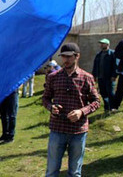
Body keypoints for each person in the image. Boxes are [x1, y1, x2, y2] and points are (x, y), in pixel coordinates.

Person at [42, 43, 100, 177]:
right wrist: (51, 107)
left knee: (75, 172)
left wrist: (81, 112)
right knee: (51, 170)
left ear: (77, 56)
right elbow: (45, 98)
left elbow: (96, 102)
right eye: (63, 57)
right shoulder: (53, 77)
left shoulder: (87, 78)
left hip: (78, 130)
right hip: (57, 128)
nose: (66, 60)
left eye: (69, 57)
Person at [92, 38, 118, 112]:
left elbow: (116, 65)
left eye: (103, 43)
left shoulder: (112, 54)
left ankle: (112, 107)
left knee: (111, 93)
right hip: (101, 77)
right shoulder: (98, 55)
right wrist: (94, 76)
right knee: (103, 93)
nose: (101, 45)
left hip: (109, 77)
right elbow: (95, 66)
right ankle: (106, 107)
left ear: (107, 44)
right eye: (101, 43)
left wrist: (114, 75)